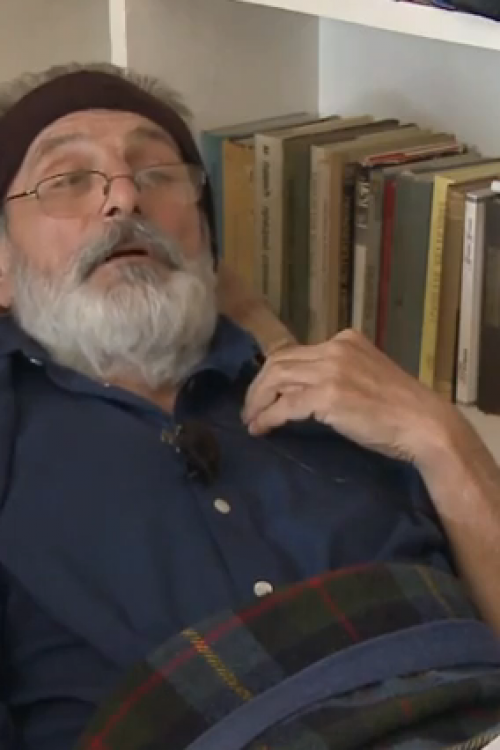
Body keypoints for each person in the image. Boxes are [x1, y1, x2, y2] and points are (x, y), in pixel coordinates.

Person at [0, 62, 498, 750]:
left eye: (157, 173)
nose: (125, 198)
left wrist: (441, 436)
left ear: (205, 236)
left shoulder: (351, 395)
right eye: (67, 180)